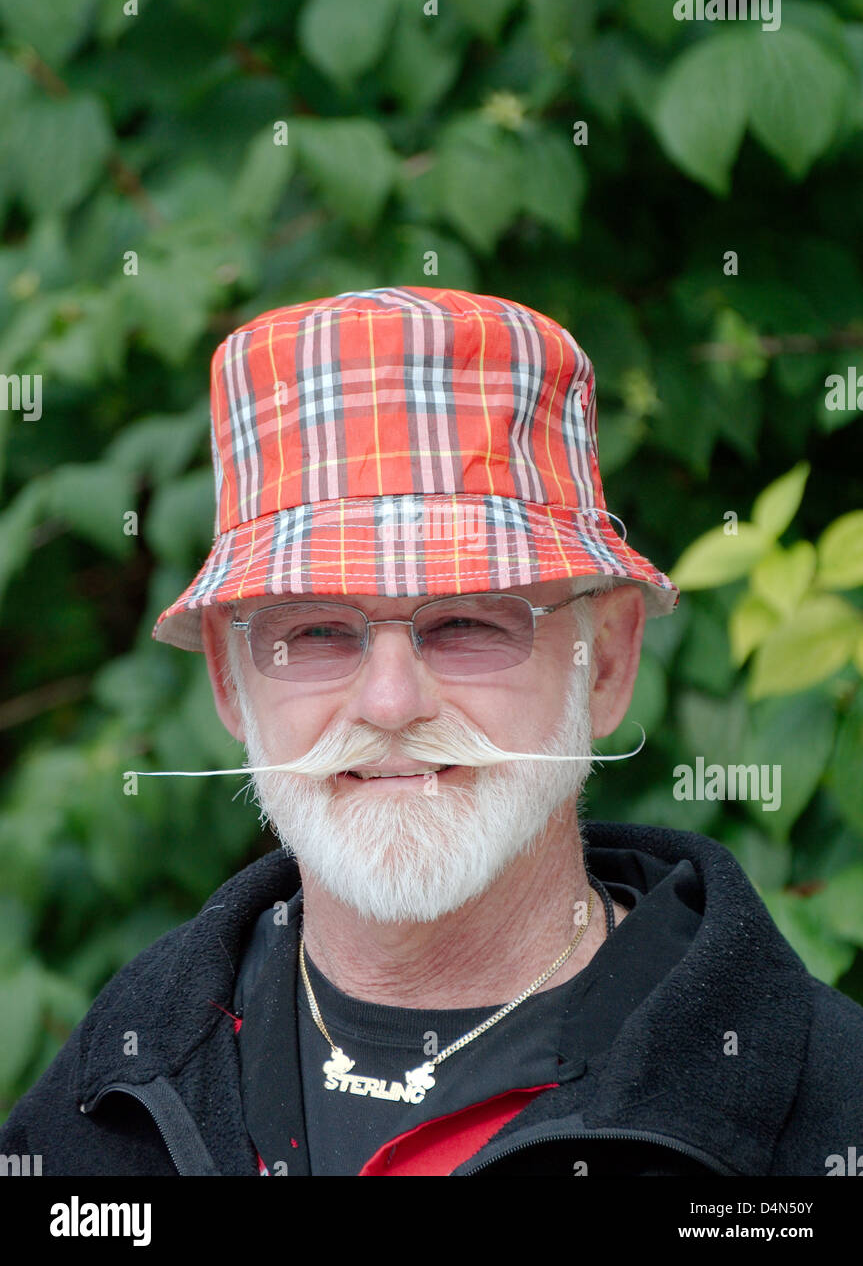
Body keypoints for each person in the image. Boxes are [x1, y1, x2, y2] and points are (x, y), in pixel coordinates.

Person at [2, 285, 861, 1177]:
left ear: (603, 662)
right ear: (230, 679)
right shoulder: (98, 1113)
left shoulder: (828, 1113)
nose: (387, 702)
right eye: (315, 631)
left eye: (468, 624)